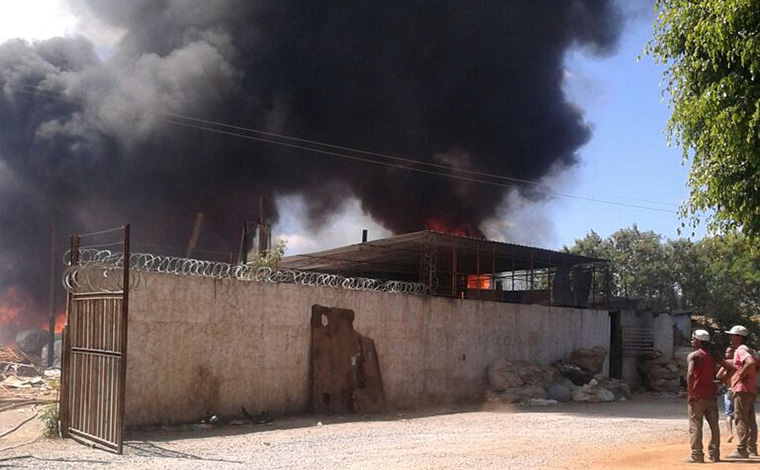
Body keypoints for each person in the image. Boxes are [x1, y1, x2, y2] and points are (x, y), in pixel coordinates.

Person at [685, 329, 721, 463]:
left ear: (699, 341)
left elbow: (689, 374)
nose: (692, 341)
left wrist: (691, 392)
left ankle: (697, 455)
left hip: (698, 396)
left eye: (693, 338)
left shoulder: (694, 355)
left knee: (695, 425)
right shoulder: (713, 355)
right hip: (711, 395)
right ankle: (715, 454)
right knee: (714, 426)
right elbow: (729, 368)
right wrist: (722, 381)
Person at [724, 325, 758, 459]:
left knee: (740, 419)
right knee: (750, 419)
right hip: (750, 389)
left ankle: (741, 449)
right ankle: (752, 449)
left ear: (739, 337)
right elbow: (756, 364)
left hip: (741, 389)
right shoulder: (750, 350)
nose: (730, 338)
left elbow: (749, 362)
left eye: (732, 335)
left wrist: (739, 376)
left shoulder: (741, 349)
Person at [716, 347, 735, 443]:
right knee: (741, 414)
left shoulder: (727, 363)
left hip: (729, 390)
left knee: (728, 414)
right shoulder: (739, 362)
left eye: (728, 352)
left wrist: (726, 375)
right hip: (739, 390)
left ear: (732, 353)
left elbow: (718, 376)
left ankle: (730, 433)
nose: (726, 354)